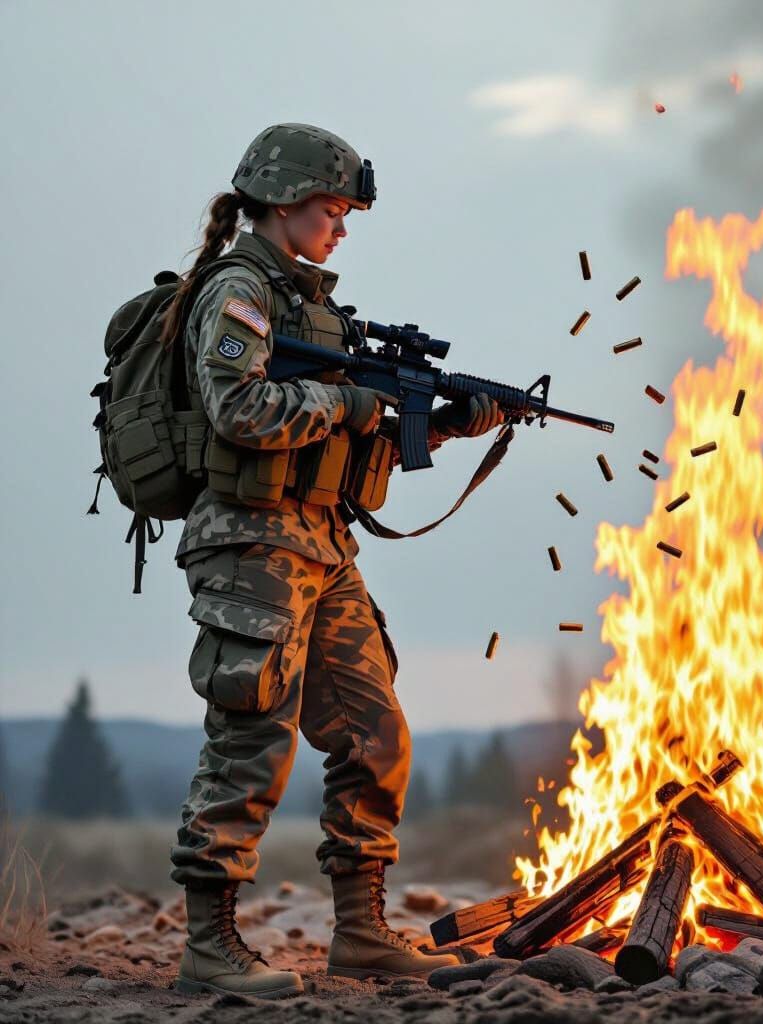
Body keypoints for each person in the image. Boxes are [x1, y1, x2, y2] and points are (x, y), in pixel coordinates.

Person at [160, 123, 503, 998]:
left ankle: (362, 931)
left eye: (347, 212)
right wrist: (341, 399)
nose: (341, 228)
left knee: (374, 731)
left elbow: (351, 420)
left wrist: (449, 419)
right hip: (250, 541)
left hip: (320, 540)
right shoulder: (237, 291)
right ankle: (210, 945)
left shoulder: (311, 304)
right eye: (331, 209)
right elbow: (241, 409)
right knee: (252, 739)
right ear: (282, 202)